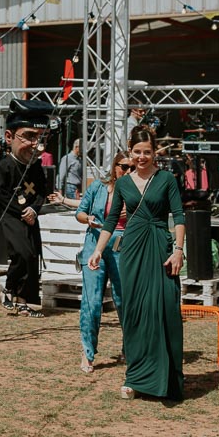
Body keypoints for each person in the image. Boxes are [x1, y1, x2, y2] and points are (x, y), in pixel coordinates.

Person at [88, 127, 186, 400]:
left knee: (164, 308)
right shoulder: (122, 183)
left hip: (160, 247)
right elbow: (110, 222)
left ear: (155, 152)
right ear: (130, 152)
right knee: (135, 312)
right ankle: (135, 377)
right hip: (131, 249)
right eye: (137, 152)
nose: (142, 157)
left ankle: (167, 378)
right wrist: (98, 250)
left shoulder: (166, 179)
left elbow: (178, 216)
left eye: (147, 152)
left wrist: (178, 250)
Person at [53, 152, 130, 374]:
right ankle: (88, 352)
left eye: (131, 168)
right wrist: (88, 219)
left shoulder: (136, 190)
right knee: (92, 302)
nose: (127, 171)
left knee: (123, 300)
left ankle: (129, 347)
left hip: (121, 249)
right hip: (94, 246)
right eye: (123, 167)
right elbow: (80, 212)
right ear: (114, 167)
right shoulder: (98, 187)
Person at [0, 104, 53, 317]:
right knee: (22, 254)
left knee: (32, 256)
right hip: (11, 218)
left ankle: (23, 300)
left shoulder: (36, 166)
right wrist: (23, 211)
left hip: (30, 217)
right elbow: (2, 195)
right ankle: (10, 288)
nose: (36, 145)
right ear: (10, 137)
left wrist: (34, 210)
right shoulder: (5, 166)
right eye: (29, 136)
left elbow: (41, 192)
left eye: (41, 138)